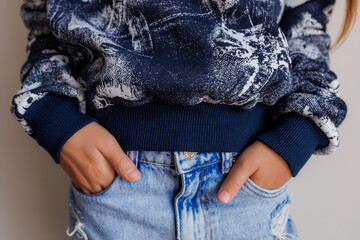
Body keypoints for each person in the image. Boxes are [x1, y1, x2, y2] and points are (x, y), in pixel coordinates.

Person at [10, 0, 356, 239]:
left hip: (244, 195)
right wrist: (56, 121)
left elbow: (307, 24)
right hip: (120, 192)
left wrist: (293, 139)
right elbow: (48, 21)